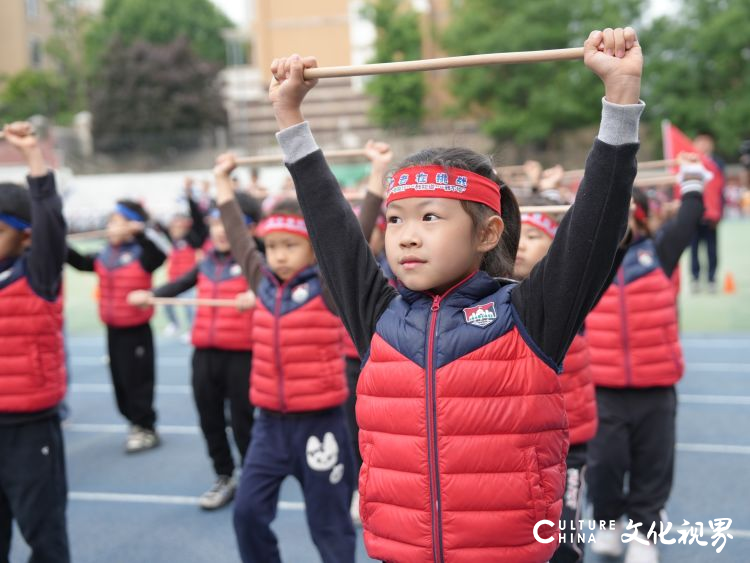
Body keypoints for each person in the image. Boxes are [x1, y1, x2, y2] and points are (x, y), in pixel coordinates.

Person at [268, 26, 643, 562]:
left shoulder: (527, 316)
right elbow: (331, 228)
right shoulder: (379, 317)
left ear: (487, 234)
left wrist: (621, 99)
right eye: (395, 220)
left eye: (429, 217)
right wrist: (290, 119)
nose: (406, 235)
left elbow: (596, 224)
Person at [213, 158, 356, 562]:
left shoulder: (329, 288)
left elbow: (352, 237)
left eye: (289, 246)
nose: (278, 256)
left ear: (313, 249)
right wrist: (222, 182)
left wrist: (377, 176)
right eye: (272, 247)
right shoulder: (261, 285)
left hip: (321, 425)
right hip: (269, 427)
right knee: (247, 515)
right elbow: (239, 236)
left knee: (329, 527)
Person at [586, 153, 709, 563]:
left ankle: (643, 533)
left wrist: (692, 181)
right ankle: (606, 521)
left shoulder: (659, 254)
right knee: (603, 466)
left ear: (638, 218)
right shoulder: (587, 264)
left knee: (653, 467)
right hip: (602, 388)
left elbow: (690, 217)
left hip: (656, 388)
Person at [128, 195, 258, 510]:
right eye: (215, 223)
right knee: (209, 418)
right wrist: (151, 295)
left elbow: (276, 290)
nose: (220, 230)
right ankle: (224, 476)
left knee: (244, 423)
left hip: (242, 356)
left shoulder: (257, 262)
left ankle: (254, 479)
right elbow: (180, 284)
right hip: (204, 354)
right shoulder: (208, 261)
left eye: (227, 224)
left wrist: (255, 295)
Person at [513, 196, 600, 563]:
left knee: (562, 544)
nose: (520, 245)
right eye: (518, 235)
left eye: (534, 236)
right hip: (516, 447)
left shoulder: (568, 299)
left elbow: (595, 245)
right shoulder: (495, 297)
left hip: (566, 449)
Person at [0, 122, 70, 562]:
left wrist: (33, 158)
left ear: (24, 236)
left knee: (44, 536)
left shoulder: (38, 275)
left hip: (29, 430)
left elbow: (49, 219)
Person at [67, 199, 166, 452]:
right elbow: (79, 262)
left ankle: (146, 427)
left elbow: (162, 253)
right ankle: (133, 422)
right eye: (110, 221)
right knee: (121, 381)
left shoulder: (143, 252)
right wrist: (56, 239)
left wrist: (141, 232)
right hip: (113, 330)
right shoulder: (104, 254)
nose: (112, 226)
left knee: (138, 380)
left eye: (118, 221)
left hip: (137, 331)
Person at [163, 179, 209, 338]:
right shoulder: (172, 240)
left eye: (179, 223)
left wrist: (189, 195)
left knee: (190, 308)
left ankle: (191, 330)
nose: (175, 226)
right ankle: (174, 324)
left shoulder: (193, 238)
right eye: (173, 224)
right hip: (173, 280)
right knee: (164, 301)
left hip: (187, 282)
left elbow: (197, 219)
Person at [689, 131, 725, 293]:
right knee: (694, 249)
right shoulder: (690, 162)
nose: (703, 145)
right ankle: (695, 278)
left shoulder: (717, 163)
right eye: (700, 141)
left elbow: (720, 190)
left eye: (706, 142)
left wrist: (719, 212)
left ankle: (711, 278)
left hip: (711, 216)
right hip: (695, 214)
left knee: (711, 249)